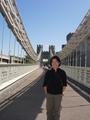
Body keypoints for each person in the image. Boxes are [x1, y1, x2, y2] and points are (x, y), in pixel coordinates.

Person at [43, 55, 67, 120]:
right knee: (49, 111)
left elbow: (64, 85)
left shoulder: (62, 72)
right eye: (52, 62)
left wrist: (61, 92)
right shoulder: (48, 72)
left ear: (59, 63)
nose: (54, 63)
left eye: (56, 61)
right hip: (49, 94)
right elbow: (45, 85)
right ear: (51, 63)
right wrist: (46, 94)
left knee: (57, 111)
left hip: (58, 95)